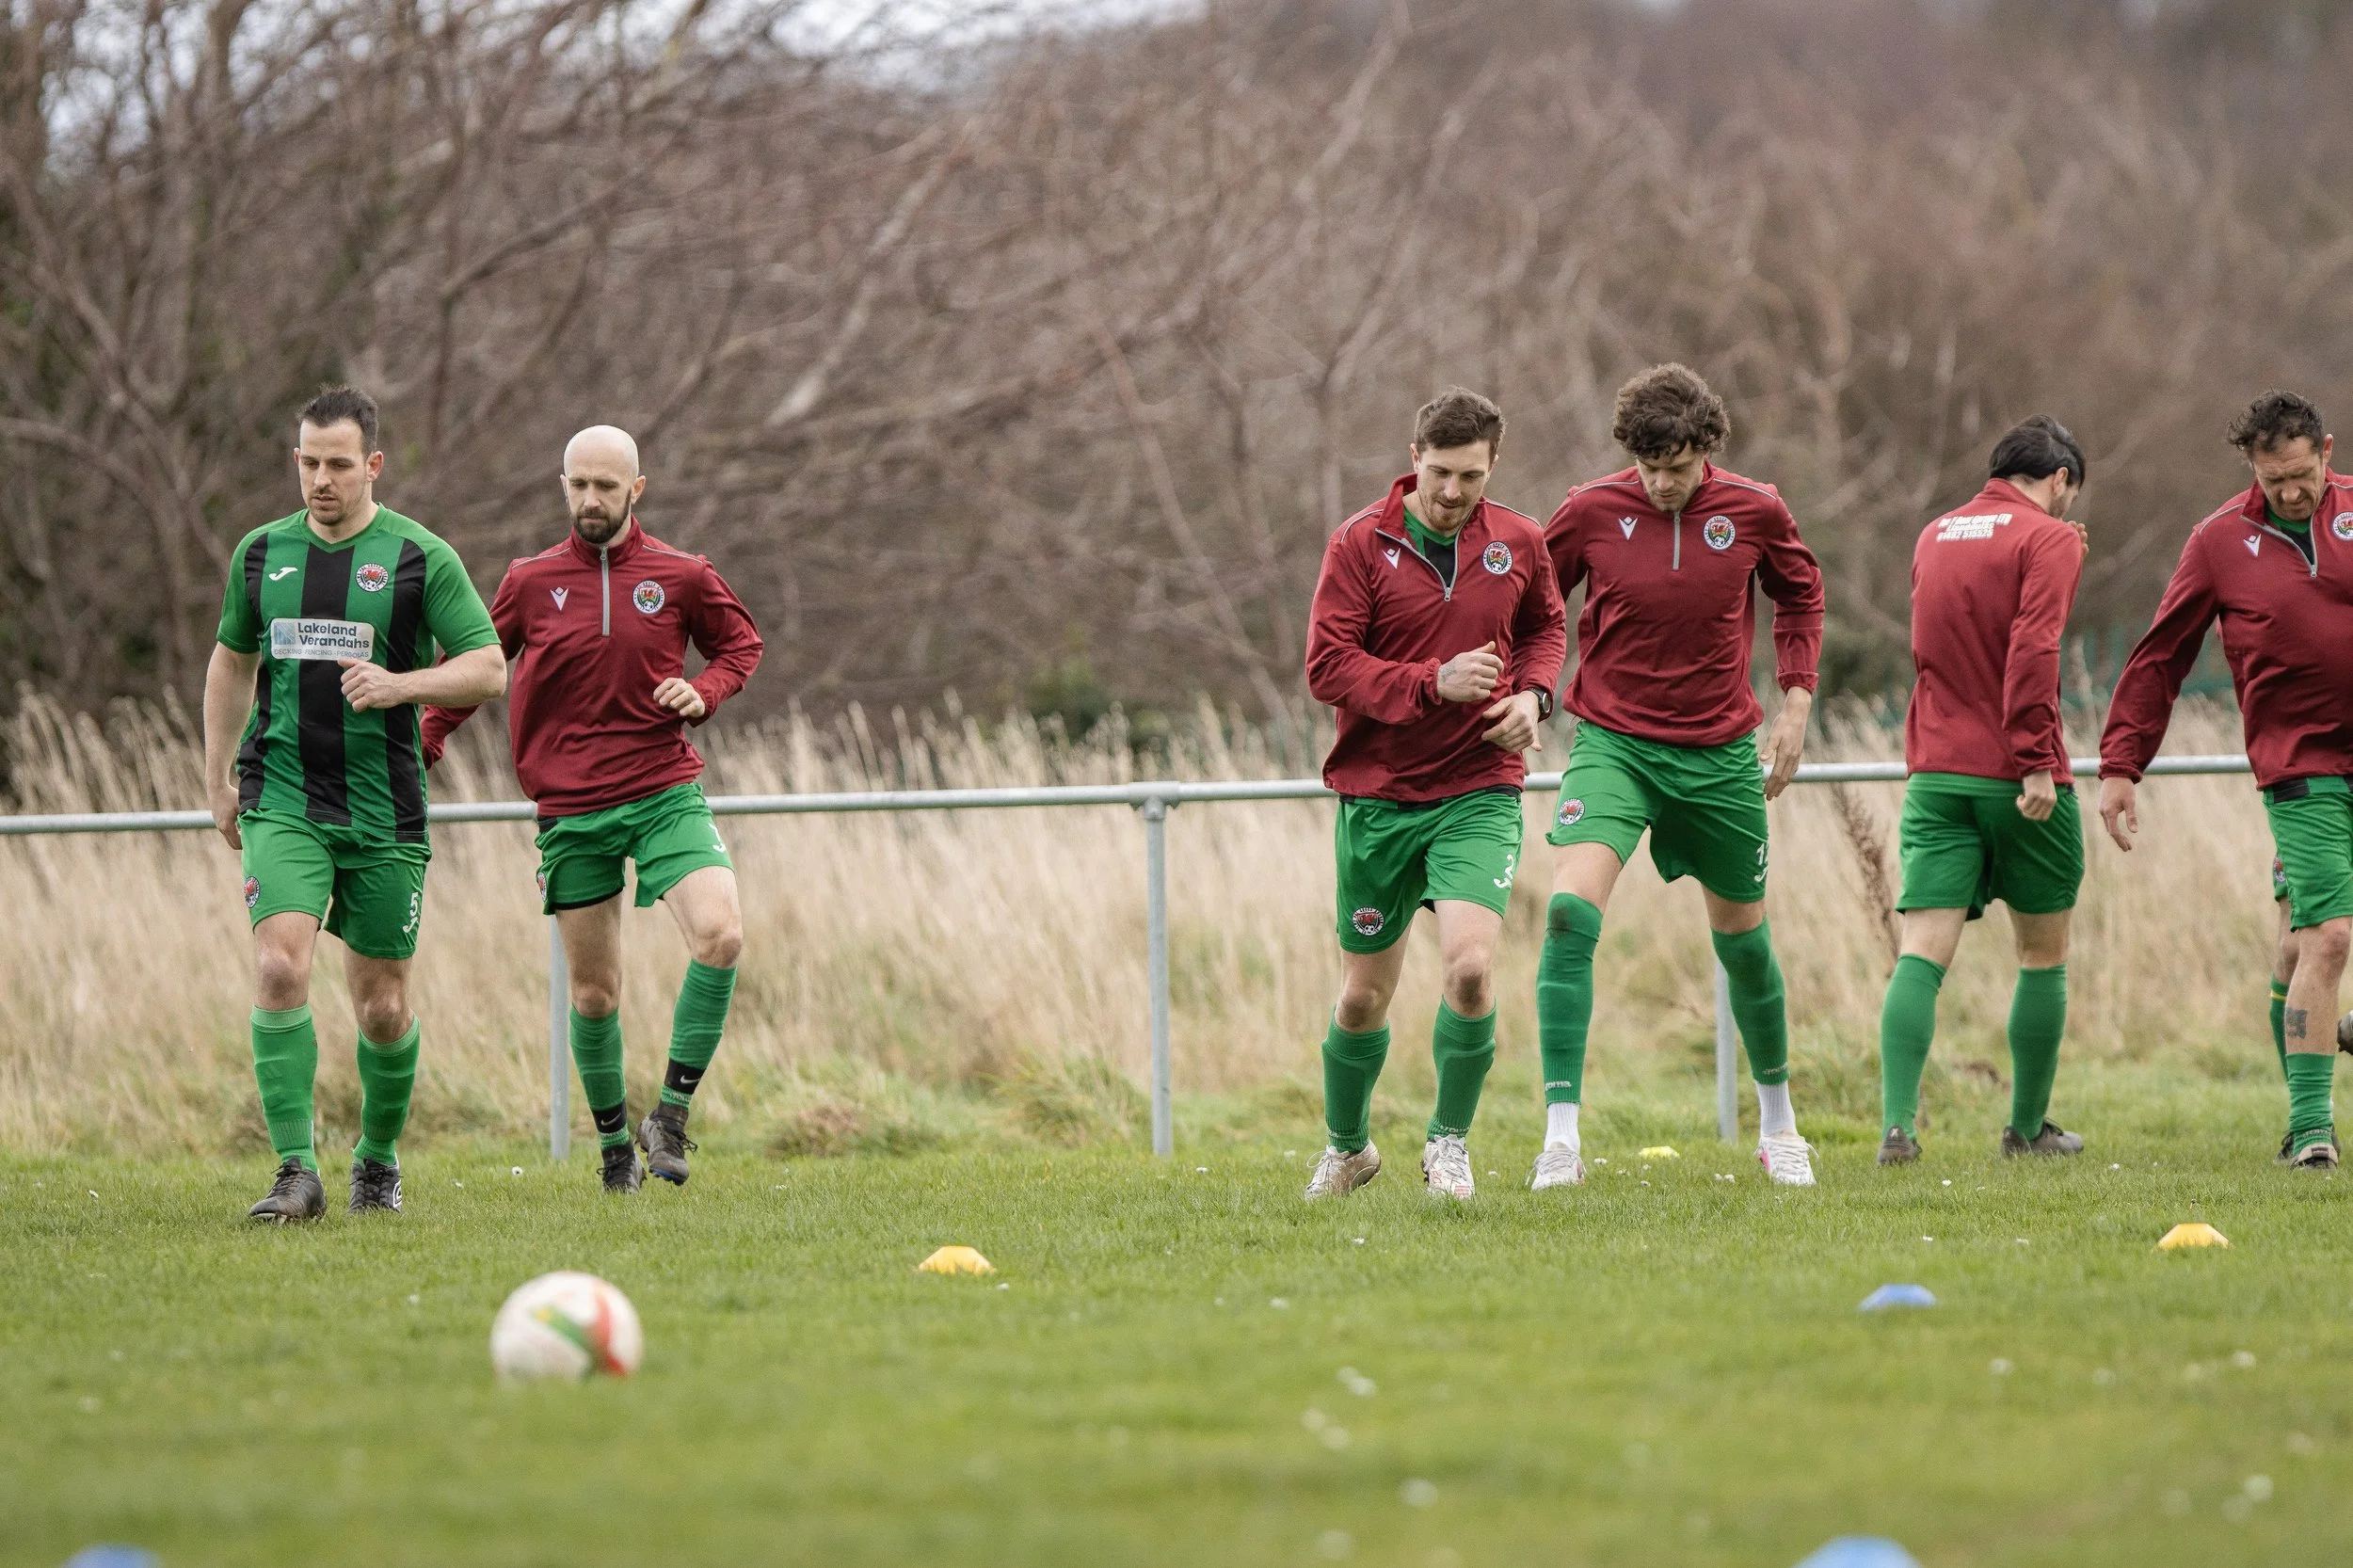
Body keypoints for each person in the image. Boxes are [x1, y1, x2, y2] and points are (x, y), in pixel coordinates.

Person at [424, 426, 762, 1192]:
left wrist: (702, 693)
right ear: (563, 484)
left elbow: (741, 645)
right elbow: (474, 669)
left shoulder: (681, 575)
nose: (590, 500)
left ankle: (669, 1117)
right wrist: (422, 741)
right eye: (578, 485)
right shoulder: (529, 580)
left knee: (721, 933)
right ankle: (614, 1150)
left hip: (663, 789)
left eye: (607, 486)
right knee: (594, 992)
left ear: (636, 489)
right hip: (571, 806)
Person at [202, 387, 506, 1221]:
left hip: (385, 811)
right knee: (277, 967)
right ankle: (295, 1171)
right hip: (283, 796)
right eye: (308, 463)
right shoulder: (261, 555)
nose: (321, 480)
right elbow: (231, 662)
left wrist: (404, 683)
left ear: (372, 465)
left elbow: (488, 666)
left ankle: (376, 1158)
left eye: (339, 464)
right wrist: (216, 779)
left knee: (382, 1008)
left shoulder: (417, 557)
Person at [1534, 363, 1825, 1190]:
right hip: (1614, 745)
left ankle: (1778, 1124)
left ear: (1708, 451)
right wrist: (1531, 686)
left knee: (1744, 944)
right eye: (1650, 468)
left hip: (1719, 754)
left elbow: (1802, 596)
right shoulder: (1589, 510)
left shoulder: (1756, 508)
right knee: (1566, 916)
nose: (1664, 484)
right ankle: (1561, 1138)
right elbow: (1535, 604)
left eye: (1681, 467)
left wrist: (1796, 702)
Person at [1300, 388, 1567, 1201]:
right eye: (1441, 474)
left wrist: (1534, 697)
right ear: (1415, 458)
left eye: (1472, 477)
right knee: (1359, 999)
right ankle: (1348, 1148)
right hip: (1379, 797)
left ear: (1494, 467)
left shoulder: (1519, 540)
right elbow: (1327, 667)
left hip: (1476, 788)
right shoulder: (1358, 544)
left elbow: (1546, 629)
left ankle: (1447, 1145)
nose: (1454, 493)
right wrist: (1432, 681)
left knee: (1472, 972)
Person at [2100, 390, 2353, 1169]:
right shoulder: (2216, 542)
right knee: (2331, 939)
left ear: (2328, 453)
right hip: (2302, 764)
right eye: (2274, 478)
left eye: (2303, 475)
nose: (2290, 492)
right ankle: (2311, 1130)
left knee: (2292, 951)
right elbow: (2159, 656)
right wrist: (2120, 764)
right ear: (2252, 466)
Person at [1875, 417, 2089, 1166]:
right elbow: (2033, 646)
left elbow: (1931, 644)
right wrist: (2035, 756)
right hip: (2015, 773)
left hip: (1935, 772)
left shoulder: (1935, 534)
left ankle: (1897, 1126)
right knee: (2041, 954)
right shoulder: (2050, 538)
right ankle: (2027, 1130)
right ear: (2060, 479)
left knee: (1921, 953)